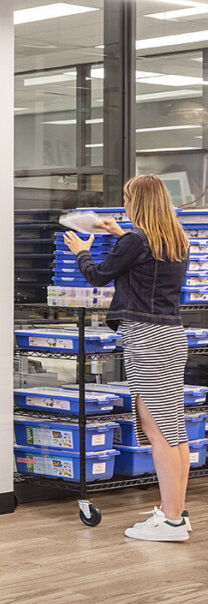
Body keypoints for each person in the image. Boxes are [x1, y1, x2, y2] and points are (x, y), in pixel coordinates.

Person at [65, 174, 192, 542]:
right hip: (170, 335)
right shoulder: (174, 238)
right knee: (174, 430)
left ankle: (170, 523)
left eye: (126, 198)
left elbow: (99, 276)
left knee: (158, 432)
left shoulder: (138, 239)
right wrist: (118, 231)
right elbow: (143, 256)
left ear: (138, 202)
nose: (123, 204)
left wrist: (80, 250)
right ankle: (177, 515)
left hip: (147, 338)